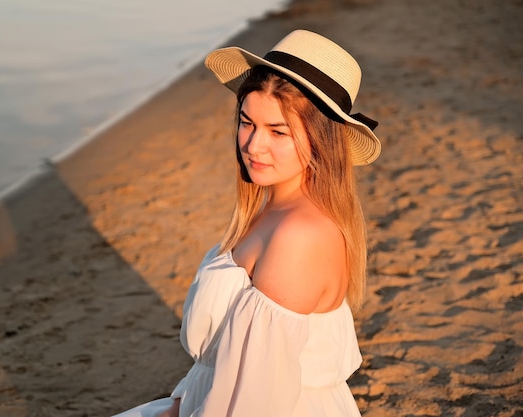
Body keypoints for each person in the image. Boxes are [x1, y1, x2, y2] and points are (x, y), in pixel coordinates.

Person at [112, 29, 381, 417]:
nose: (253, 145)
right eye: (247, 122)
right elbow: (229, 367)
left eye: (278, 131)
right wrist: (180, 403)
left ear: (320, 140)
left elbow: (257, 400)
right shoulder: (276, 208)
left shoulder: (298, 235)